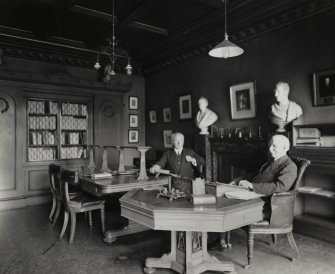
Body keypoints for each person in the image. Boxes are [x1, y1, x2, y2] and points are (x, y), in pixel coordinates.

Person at [211, 135, 297, 251]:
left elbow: (280, 187)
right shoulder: (271, 162)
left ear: (285, 148)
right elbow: (255, 174)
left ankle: (221, 240)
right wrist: (237, 181)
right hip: (254, 195)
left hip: (267, 204)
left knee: (226, 202)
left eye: (274, 146)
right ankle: (221, 240)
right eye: (270, 145)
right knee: (223, 195)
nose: (270, 148)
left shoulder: (289, 166)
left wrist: (251, 185)